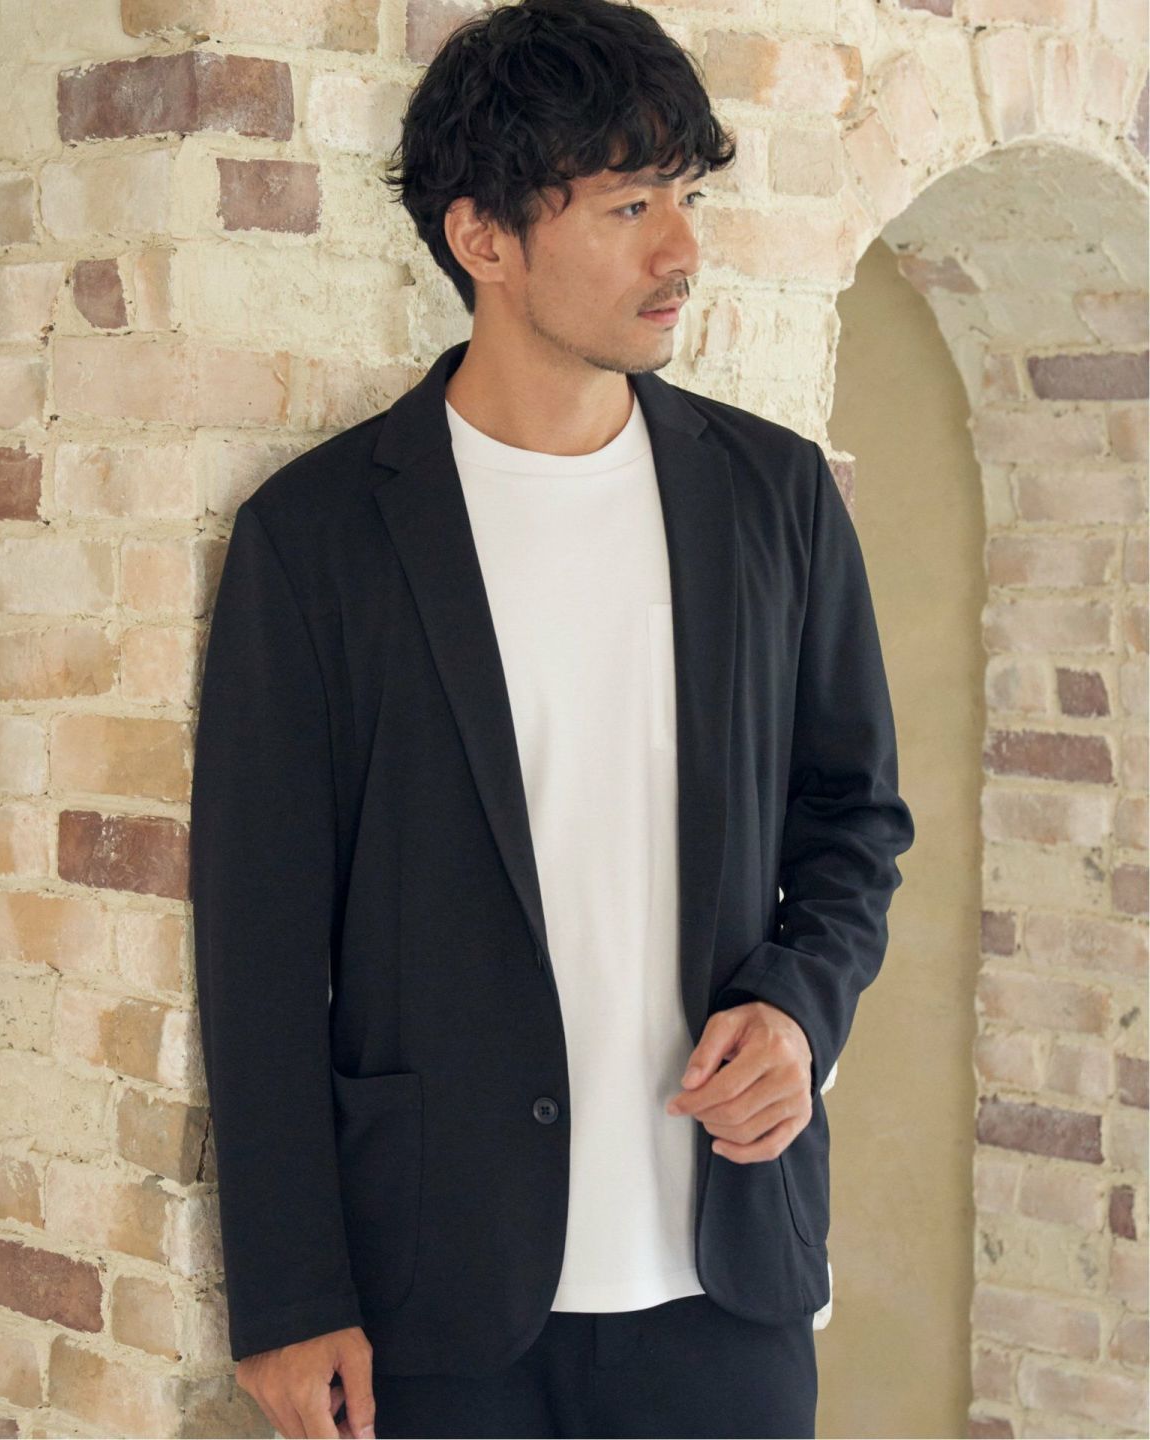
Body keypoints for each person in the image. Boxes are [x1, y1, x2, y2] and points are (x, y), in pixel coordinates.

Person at [188, 0, 916, 1436]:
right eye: (630, 205)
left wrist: (798, 1011)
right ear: (483, 237)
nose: (681, 251)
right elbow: (259, 939)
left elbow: (854, 821)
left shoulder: (775, 501)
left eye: (687, 199)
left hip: (727, 1280)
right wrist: (287, 1291)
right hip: (434, 1301)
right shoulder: (318, 539)